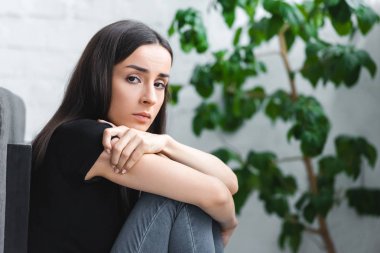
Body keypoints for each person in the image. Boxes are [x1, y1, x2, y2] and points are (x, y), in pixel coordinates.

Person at [28, 20, 238, 253]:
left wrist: (166, 143)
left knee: (186, 190)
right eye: (134, 79)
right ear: (99, 77)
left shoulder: (124, 140)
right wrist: (229, 223)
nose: (150, 97)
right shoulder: (84, 138)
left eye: (160, 84)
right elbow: (217, 195)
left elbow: (230, 182)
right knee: (181, 197)